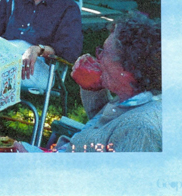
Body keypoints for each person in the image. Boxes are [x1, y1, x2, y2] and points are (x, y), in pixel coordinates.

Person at [57, 12, 162, 152]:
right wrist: (93, 89)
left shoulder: (139, 130)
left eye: (104, 52)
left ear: (127, 68)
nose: (98, 57)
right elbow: (103, 127)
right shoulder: (131, 99)